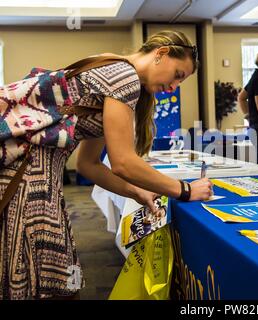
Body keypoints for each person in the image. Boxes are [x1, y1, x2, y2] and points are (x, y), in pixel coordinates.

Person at [0, 30, 213, 300]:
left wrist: (137, 192)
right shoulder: (124, 78)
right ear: (161, 54)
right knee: (41, 271)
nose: (173, 88)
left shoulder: (110, 64)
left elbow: (89, 165)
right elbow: (123, 162)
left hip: (35, 174)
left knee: (41, 269)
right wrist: (184, 190)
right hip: (27, 176)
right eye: (178, 75)